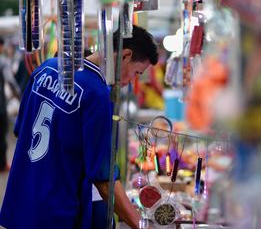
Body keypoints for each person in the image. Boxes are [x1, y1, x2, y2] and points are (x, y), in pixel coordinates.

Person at [0, 25, 158, 228]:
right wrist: (140, 224)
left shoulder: (46, 67)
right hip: (57, 212)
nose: (131, 81)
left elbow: (21, 130)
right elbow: (104, 180)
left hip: (21, 201)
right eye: (136, 73)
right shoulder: (98, 94)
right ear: (125, 55)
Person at [0, 38, 20, 172]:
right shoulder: (3, 61)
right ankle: (2, 164)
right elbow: (10, 81)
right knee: (2, 134)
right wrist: (19, 94)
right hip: (0, 106)